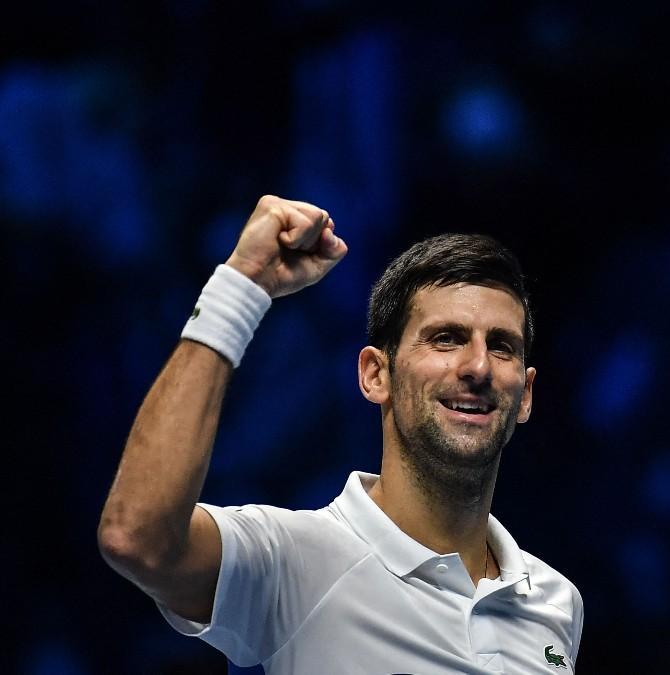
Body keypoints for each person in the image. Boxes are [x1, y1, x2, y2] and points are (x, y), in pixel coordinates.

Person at [98, 195, 583, 673]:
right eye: (446, 338)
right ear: (376, 375)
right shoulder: (291, 561)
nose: (478, 366)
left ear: (525, 394)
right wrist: (240, 286)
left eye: (501, 347)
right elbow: (138, 538)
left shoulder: (556, 603)